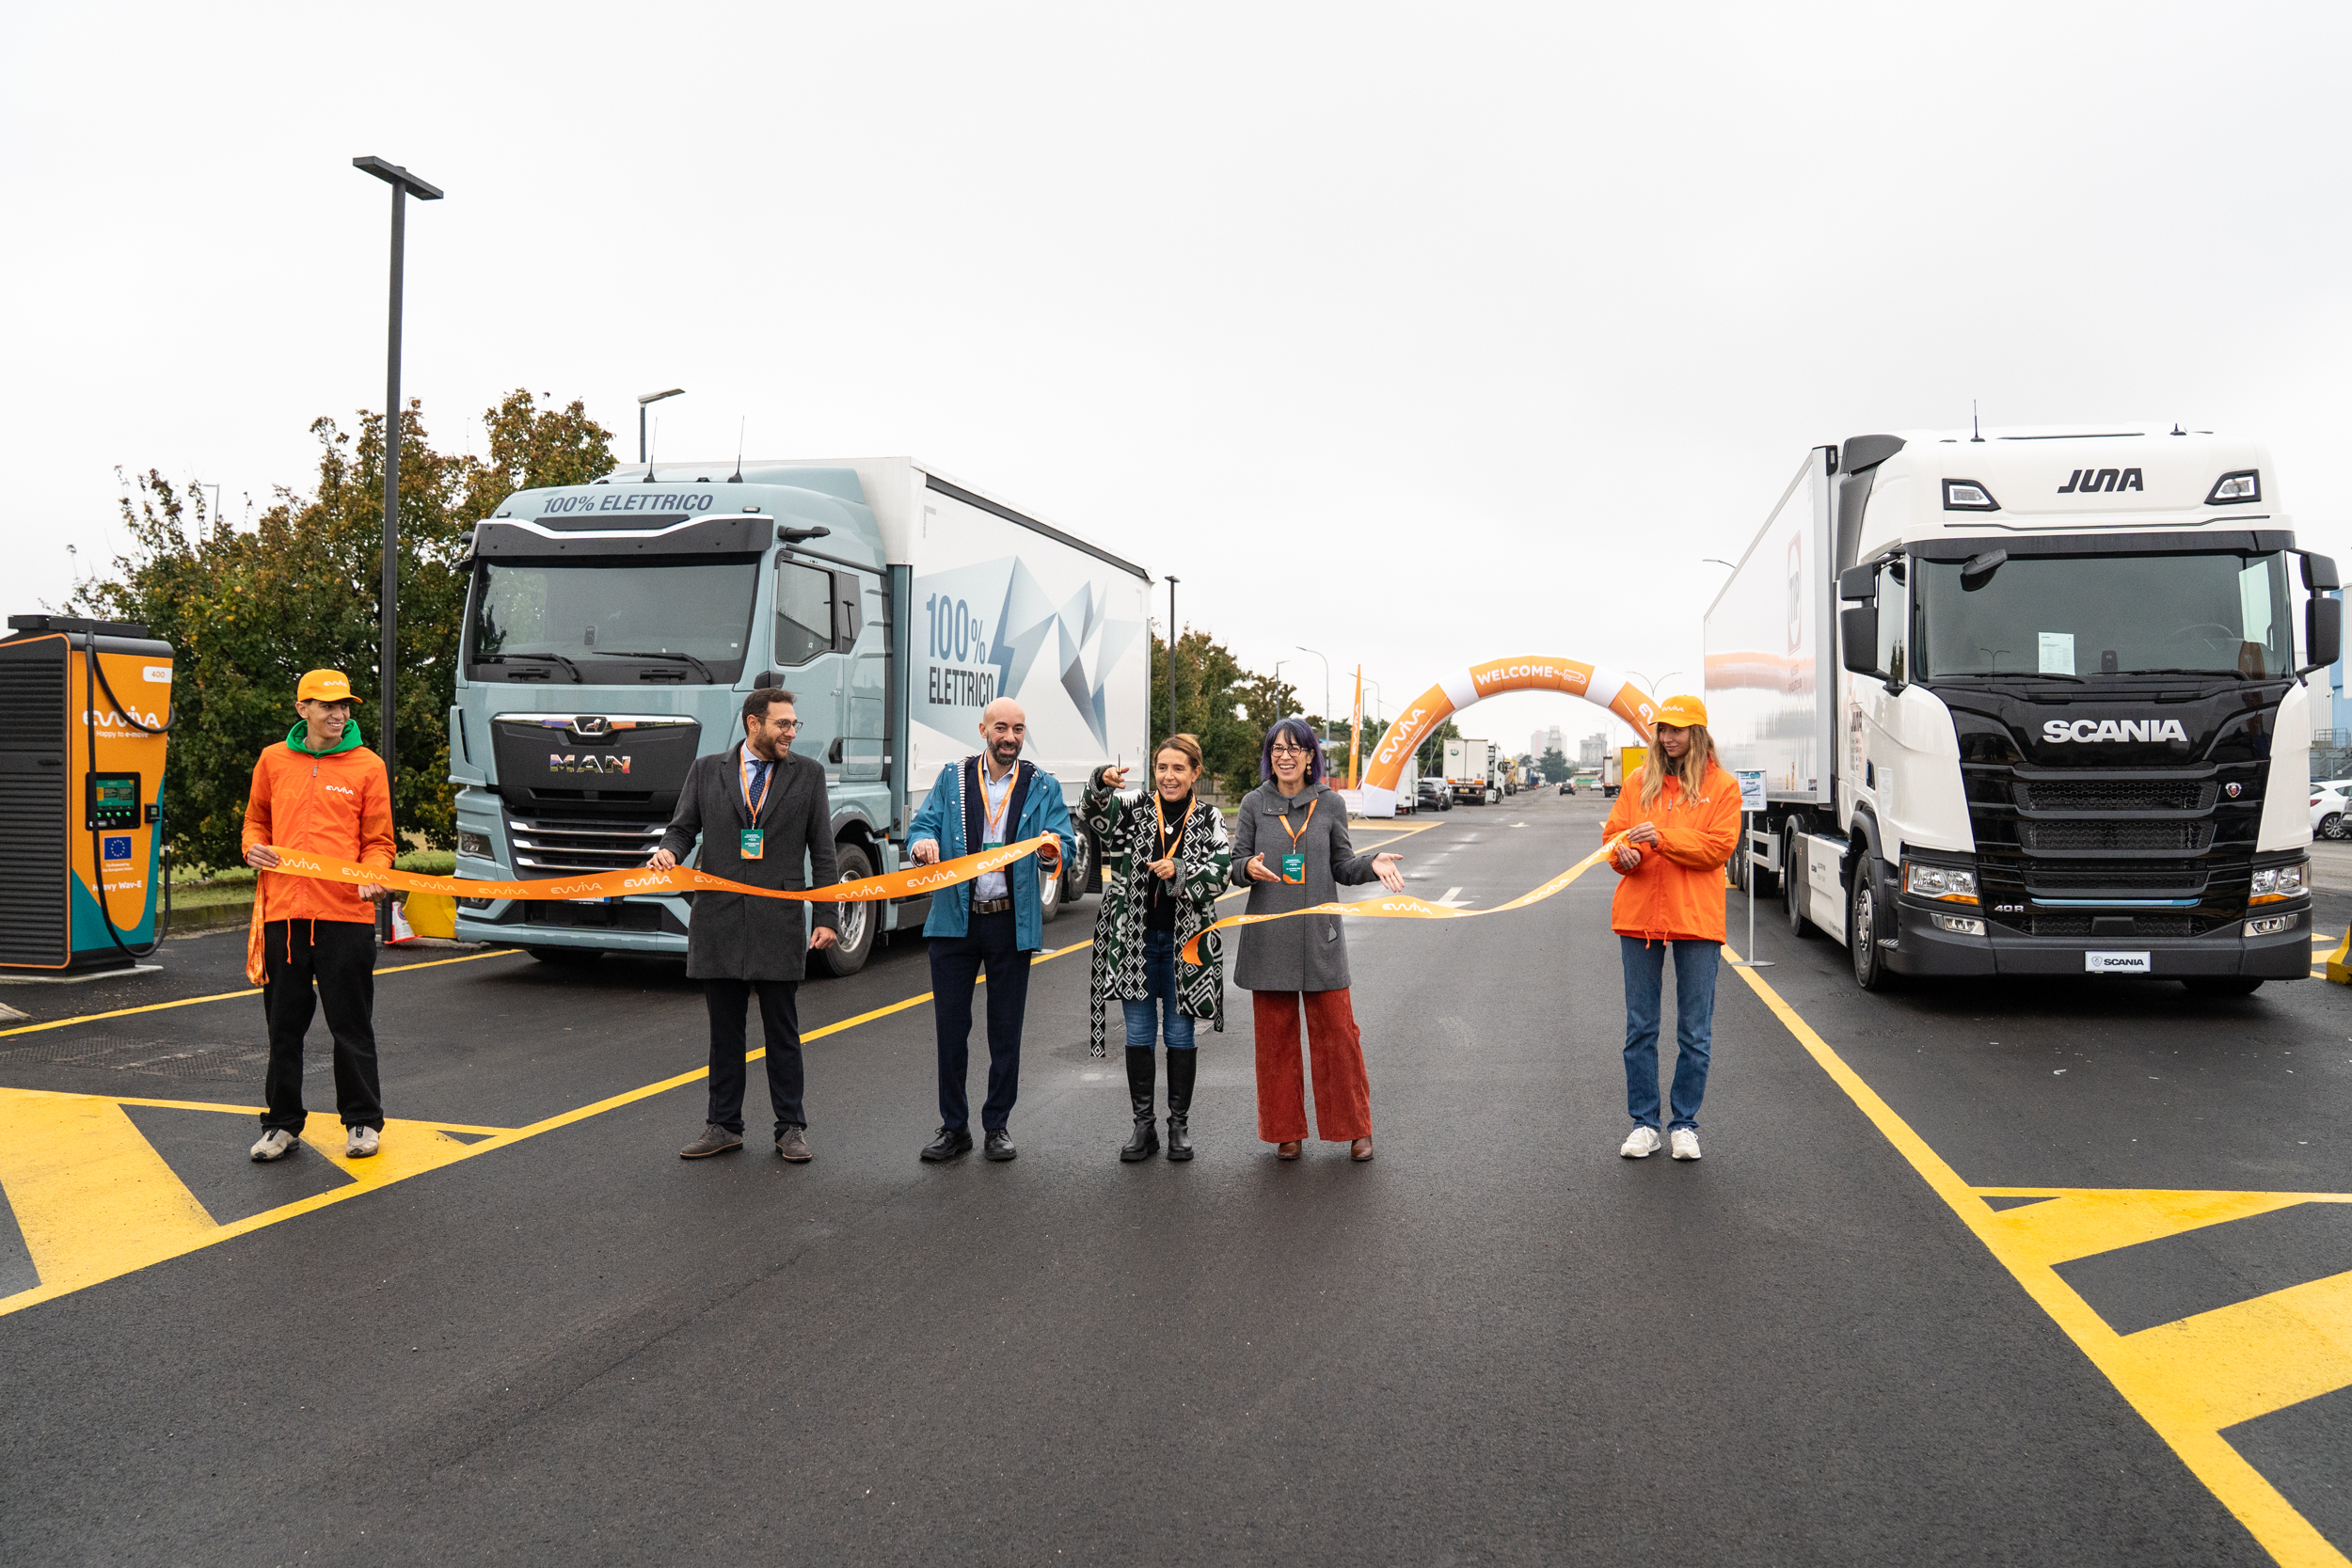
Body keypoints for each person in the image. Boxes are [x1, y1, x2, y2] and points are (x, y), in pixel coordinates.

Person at [651, 688, 840, 1162]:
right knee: (725, 1033)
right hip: (718, 917)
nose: (791, 732)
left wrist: (828, 916)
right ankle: (723, 1126)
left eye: (795, 724)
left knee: (782, 1032)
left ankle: (790, 1128)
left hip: (778, 921)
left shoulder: (808, 775)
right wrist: (670, 851)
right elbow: (683, 827)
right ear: (753, 724)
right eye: (783, 724)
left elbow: (823, 851)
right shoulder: (706, 770)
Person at [1232, 718, 1405, 1163]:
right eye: (1276, 748)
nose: (1284, 756)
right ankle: (1285, 1131)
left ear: (1311, 756)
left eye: (1294, 748)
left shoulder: (1329, 804)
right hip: (1268, 939)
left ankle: (1355, 1129)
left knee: (1338, 1039)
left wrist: (1372, 863)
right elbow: (1234, 862)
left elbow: (1343, 866)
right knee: (1275, 1043)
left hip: (1319, 941)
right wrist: (1246, 866)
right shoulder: (1254, 802)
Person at [241, 669, 394, 1163]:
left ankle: (362, 1122)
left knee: (350, 1024)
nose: (338, 714)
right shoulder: (273, 760)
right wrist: (252, 847)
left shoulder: (368, 765)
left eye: (344, 705)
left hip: (344, 916)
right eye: (326, 705)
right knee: (283, 1027)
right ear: (300, 708)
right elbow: (256, 820)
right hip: (284, 915)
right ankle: (281, 1125)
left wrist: (374, 872)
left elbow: (379, 841)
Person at [907, 698, 1070, 1163]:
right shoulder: (951, 778)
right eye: (1001, 728)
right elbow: (921, 825)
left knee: (1005, 1031)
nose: (1010, 738)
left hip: (1010, 924)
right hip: (954, 924)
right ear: (983, 729)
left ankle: (997, 1125)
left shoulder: (1042, 785)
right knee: (951, 1030)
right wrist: (923, 844)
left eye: (1018, 729)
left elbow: (1065, 840)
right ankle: (953, 1127)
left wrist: (1053, 852)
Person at [1602, 695, 1740, 1162]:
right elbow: (1616, 837)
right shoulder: (1639, 782)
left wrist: (1661, 839)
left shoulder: (1722, 787)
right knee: (1640, 1027)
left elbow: (1718, 847)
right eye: (1663, 729)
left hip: (1696, 920)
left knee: (1694, 1032)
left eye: (1678, 729)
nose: (1669, 737)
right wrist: (1624, 855)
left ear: (1698, 733)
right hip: (1639, 917)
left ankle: (1684, 1124)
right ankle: (1644, 1124)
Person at [1084, 735, 1233, 1163]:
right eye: (1162, 768)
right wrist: (1099, 782)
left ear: (1195, 773)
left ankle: (1178, 1127)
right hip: (1133, 940)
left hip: (1189, 943)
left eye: (1179, 769)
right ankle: (1143, 1126)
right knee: (1139, 1033)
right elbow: (1092, 814)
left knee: (1181, 1033)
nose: (1169, 777)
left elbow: (1221, 871)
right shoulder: (1131, 807)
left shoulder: (1209, 817)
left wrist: (1181, 869)